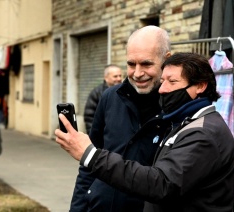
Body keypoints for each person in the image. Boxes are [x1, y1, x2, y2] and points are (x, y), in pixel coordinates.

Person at [55, 52, 234, 212]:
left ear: (200, 86)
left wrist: (91, 155)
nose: (163, 89)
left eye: (172, 82)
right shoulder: (184, 122)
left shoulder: (203, 134)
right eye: (163, 81)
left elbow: (161, 183)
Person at [69, 25, 171, 211]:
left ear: (166, 60)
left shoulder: (176, 108)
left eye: (146, 64)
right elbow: (88, 161)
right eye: (131, 64)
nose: (137, 73)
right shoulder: (109, 97)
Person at [83, 64, 123, 134]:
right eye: (115, 76)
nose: (119, 79)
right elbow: (90, 117)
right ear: (106, 78)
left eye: (120, 76)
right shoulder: (97, 93)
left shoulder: (126, 91)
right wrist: (93, 138)